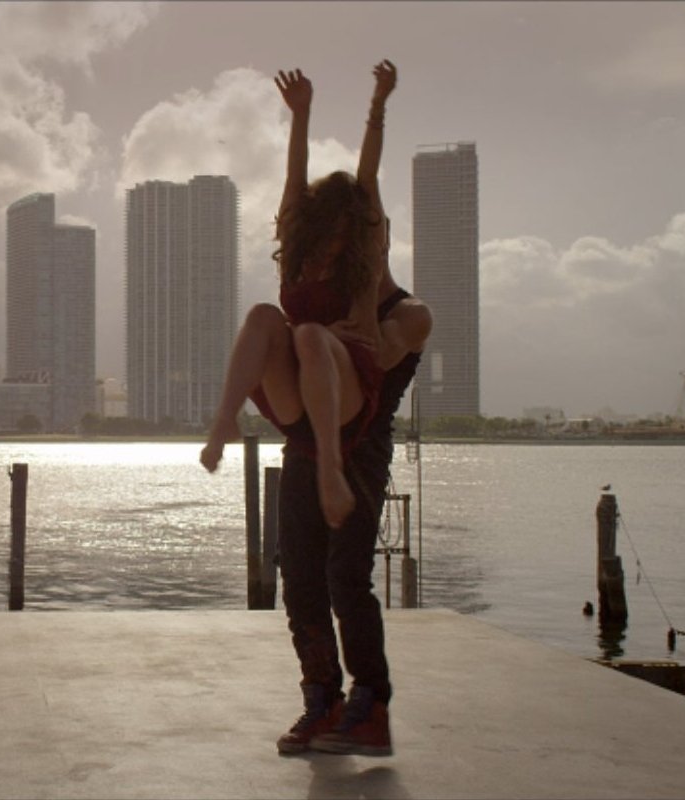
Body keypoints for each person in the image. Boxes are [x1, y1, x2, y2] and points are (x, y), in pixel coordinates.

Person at [252, 59, 431, 759]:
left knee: (345, 576)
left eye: (372, 231)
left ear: (381, 239)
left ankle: (371, 704)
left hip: (362, 449)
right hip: (308, 441)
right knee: (299, 577)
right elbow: (294, 203)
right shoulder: (326, 282)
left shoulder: (408, 312)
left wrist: (378, 107)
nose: (364, 240)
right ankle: (320, 700)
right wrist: (300, 117)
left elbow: (379, 358)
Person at [199, 59, 398, 532]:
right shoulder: (297, 247)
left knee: (308, 335)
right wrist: (300, 113)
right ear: (315, 225)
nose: (336, 242)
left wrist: (377, 104)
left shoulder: (364, 257)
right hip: (298, 399)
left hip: (347, 394)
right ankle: (224, 419)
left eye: (345, 234)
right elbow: (295, 176)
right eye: (330, 231)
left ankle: (330, 469)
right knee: (264, 316)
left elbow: (368, 175)